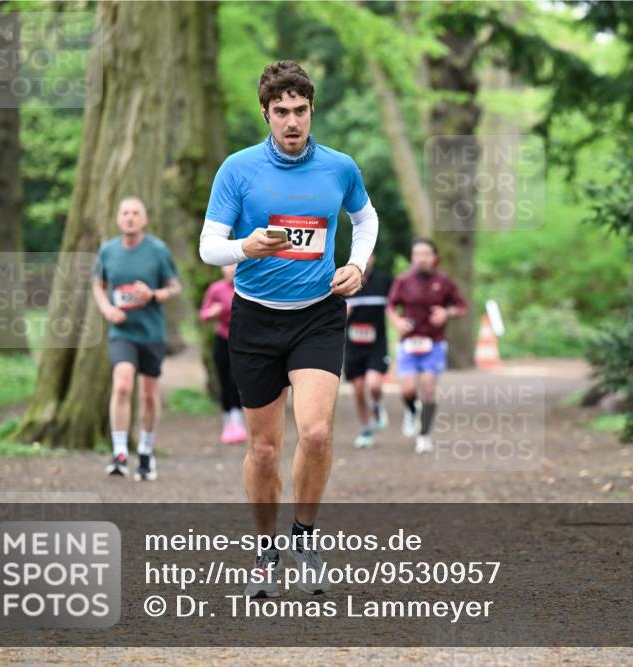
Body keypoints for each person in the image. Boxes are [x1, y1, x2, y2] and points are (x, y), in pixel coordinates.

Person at [198, 60, 378, 597]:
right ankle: (265, 548)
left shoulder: (340, 167)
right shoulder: (238, 169)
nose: (292, 121)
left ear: (311, 109)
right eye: (282, 112)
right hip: (254, 317)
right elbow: (209, 247)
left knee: (318, 432)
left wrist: (357, 265)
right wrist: (246, 247)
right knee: (265, 451)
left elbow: (364, 219)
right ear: (266, 114)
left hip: (318, 315)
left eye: (300, 110)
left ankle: (304, 537)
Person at [93, 196, 181, 481]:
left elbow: (174, 286)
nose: (130, 217)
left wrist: (153, 295)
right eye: (125, 213)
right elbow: (98, 283)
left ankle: (145, 451)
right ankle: (119, 452)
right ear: (118, 219)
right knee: (121, 384)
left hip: (152, 333)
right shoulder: (107, 251)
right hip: (123, 332)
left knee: (149, 394)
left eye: (135, 213)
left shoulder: (157, 250)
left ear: (144, 219)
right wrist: (107, 308)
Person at [386, 239, 468, 454]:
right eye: (417, 254)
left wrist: (446, 313)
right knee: (408, 389)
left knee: (429, 388)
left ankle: (424, 435)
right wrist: (397, 322)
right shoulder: (403, 281)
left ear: (434, 257)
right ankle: (412, 410)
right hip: (409, 343)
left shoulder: (444, 281)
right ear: (412, 258)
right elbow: (391, 306)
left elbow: (461, 307)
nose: (422, 258)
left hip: (434, 343)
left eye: (426, 254)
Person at [343, 253, 392, 449]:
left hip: (377, 344)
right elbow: (332, 312)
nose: (365, 260)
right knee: (357, 388)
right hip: (353, 346)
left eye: (369, 256)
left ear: (373, 258)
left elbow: (399, 302)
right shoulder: (344, 281)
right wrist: (343, 313)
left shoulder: (384, 281)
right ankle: (365, 429)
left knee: (374, 385)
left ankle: (377, 406)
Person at [200, 263, 247, 444]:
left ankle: (238, 420)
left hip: (243, 341)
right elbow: (203, 314)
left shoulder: (246, 286)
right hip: (222, 339)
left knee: (237, 380)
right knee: (224, 380)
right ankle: (228, 422)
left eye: (233, 265)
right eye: (227, 266)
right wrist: (212, 313)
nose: (230, 269)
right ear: (222, 269)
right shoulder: (216, 289)